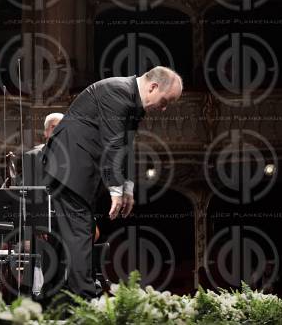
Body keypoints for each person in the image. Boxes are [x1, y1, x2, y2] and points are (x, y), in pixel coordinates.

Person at [42, 66, 183, 299]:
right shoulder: (117, 92)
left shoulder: (132, 101)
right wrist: (116, 190)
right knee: (80, 232)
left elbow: (125, 147)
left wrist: (127, 189)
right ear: (153, 87)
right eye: (166, 101)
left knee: (65, 235)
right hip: (69, 167)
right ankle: (84, 301)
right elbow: (114, 143)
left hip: (76, 169)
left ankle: (52, 300)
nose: (165, 108)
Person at [22, 112, 63, 186]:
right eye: (54, 127)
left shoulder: (74, 157)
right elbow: (27, 191)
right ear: (45, 132)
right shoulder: (32, 157)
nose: (58, 130)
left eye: (61, 127)